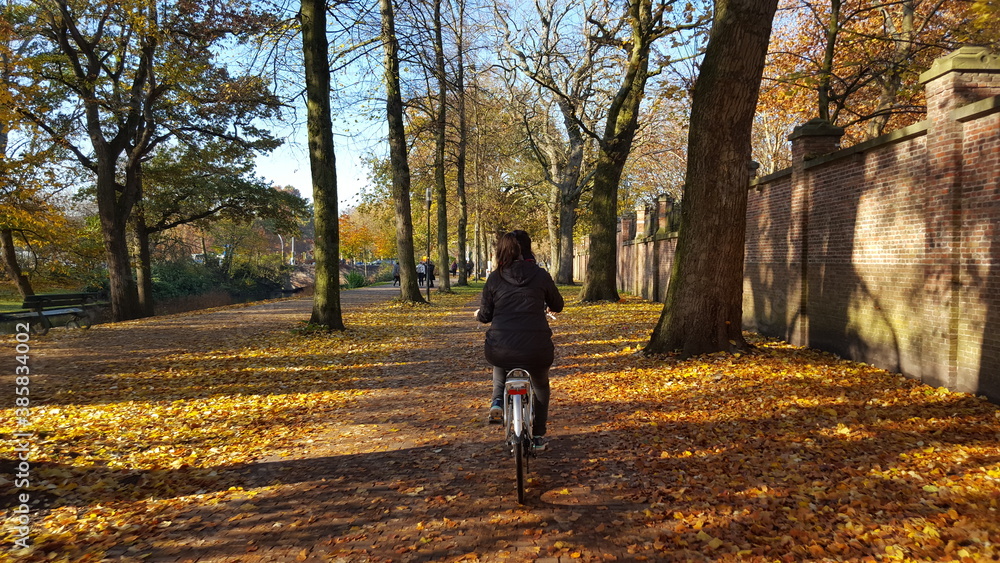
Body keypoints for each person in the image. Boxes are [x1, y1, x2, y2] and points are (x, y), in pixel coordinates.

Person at [475, 231, 564, 450]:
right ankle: (539, 435)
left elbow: (485, 315)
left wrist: (478, 314)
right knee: (541, 385)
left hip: (501, 346)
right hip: (537, 348)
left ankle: (497, 400)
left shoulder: (495, 277)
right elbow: (558, 304)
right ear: (527, 250)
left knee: (500, 360)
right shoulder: (540, 275)